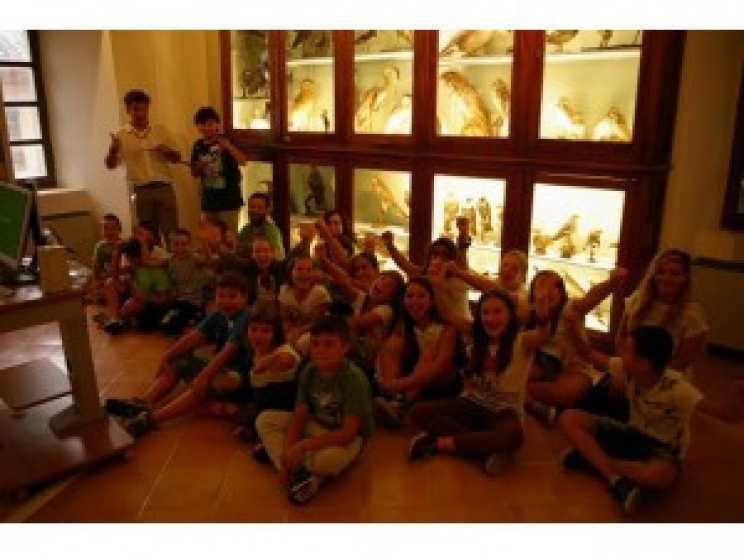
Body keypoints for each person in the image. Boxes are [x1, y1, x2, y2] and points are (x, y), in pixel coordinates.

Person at [558, 325, 744, 515]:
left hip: (664, 449)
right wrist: (572, 326)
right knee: (568, 418)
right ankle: (615, 479)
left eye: (627, 350)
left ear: (644, 364)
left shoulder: (677, 389)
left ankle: (591, 460)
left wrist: (739, 398)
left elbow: (726, 415)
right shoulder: (627, 369)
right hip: (632, 434)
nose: (621, 352)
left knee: (658, 477)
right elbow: (589, 354)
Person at [407, 287, 551, 475]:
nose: (491, 318)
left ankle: (439, 442)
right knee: (418, 411)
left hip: (503, 411)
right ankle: (485, 447)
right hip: (471, 403)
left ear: (510, 315)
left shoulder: (522, 341)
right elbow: (448, 314)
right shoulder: (475, 334)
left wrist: (542, 311)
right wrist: (437, 284)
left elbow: (543, 334)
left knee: (513, 436)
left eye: (498, 312)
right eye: (485, 312)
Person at [104, 272, 251, 436]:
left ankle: (152, 419)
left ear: (245, 298)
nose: (225, 301)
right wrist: (167, 356)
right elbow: (192, 337)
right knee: (178, 361)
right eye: (221, 295)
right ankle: (143, 403)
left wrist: (203, 377)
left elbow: (227, 352)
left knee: (205, 383)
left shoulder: (244, 318)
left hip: (238, 376)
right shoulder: (218, 315)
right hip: (219, 367)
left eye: (232, 296)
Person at [254, 315, 374, 505]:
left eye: (329, 344)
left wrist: (302, 446)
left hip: (348, 438)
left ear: (345, 347)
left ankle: (307, 475)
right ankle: (294, 471)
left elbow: (349, 433)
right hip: (317, 424)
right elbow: (299, 416)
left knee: (328, 461)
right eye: (315, 344)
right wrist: (288, 452)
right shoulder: (310, 370)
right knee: (264, 419)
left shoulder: (354, 379)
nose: (320, 350)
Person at [524, 267, 628, 425]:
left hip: (574, 369)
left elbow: (591, 298)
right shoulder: (530, 311)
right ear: (532, 293)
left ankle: (530, 398)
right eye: (542, 285)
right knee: (515, 377)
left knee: (562, 394)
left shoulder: (570, 308)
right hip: (542, 364)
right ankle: (536, 405)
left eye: (555, 286)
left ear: (562, 292)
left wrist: (611, 283)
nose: (549, 291)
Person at [374, 276, 466, 428]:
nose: (414, 301)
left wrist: (402, 383)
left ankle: (400, 405)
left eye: (421, 296)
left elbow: (441, 365)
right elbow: (385, 351)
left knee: (429, 350)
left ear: (432, 301)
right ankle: (392, 399)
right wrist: (385, 381)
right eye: (410, 296)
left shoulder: (447, 327)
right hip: (411, 383)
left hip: (443, 384)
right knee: (393, 343)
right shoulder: (403, 325)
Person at [104, 89, 181, 245]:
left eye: (144, 109)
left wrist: (168, 152)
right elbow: (110, 165)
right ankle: (154, 260)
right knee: (148, 235)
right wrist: (113, 150)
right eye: (135, 109)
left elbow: (177, 158)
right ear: (127, 109)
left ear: (148, 108)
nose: (140, 114)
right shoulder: (120, 135)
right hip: (140, 190)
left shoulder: (161, 130)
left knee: (172, 232)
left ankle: (174, 260)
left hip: (164, 187)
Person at [617, 249, 708, 377]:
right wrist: (629, 367)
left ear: (685, 278)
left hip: (666, 378)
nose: (666, 278)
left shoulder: (692, 315)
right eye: (661, 272)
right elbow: (621, 339)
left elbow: (683, 362)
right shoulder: (636, 301)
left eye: (675, 274)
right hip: (629, 371)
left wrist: (645, 374)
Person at [239, 302, 302, 451]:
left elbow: (286, 360)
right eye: (254, 329)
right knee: (245, 412)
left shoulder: (284, 351)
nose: (258, 335)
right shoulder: (253, 351)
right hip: (263, 404)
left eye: (265, 331)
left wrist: (268, 361)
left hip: (285, 409)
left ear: (276, 333)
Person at [100, 221, 171, 335]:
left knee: (134, 304)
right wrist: (118, 252)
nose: (140, 237)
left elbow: (164, 298)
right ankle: (115, 319)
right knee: (110, 283)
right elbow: (114, 274)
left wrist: (144, 297)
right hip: (136, 294)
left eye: (143, 235)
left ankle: (120, 321)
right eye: (138, 234)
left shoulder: (157, 262)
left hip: (150, 300)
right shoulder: (133, 255)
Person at [190, 106, 248, 235]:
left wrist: (228, 146)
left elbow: (243, 161)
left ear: (217, 124)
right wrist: (200, 166)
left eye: (210, 124)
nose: (207, 128)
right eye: (202, 124)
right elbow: (194, 173)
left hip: (229, 201)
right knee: (210, 237)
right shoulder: (198, 146)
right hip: (209, 201)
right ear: (198, 127)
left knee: (229, 237)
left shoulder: (227, 140)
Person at [159, 228, 211, 336]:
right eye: (176, 244)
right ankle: (192, 322)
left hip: (192, 301)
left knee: (172, 327)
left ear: (189, 245)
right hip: (177, 300)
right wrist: (143, 244)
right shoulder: (170, 259)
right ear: (171, 245)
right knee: (163, 325)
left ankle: (195, 320)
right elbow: (149, 262)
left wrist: (205, 242)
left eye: (183, 244)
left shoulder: (193, 257)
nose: (180, 247)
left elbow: (206, 261)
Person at [278, 255, 332, 348]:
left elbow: (317, 322)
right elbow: (285, 319)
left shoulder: (320, 293)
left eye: (309, 270)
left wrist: (298, 332)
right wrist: (287, 332)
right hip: (294, 329)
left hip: (317, 330)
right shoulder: (285, 290)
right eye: (299, 269)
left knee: (302, 343)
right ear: (291, 273)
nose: (304, 273)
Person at [85, 213, 123, 304]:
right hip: (104, 278)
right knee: (87, 282)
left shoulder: (124, 245)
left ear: (119, 229)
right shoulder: (100, 246)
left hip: (118, 278)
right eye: (105, 228)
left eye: (113, 228)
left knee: (98, 293)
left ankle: (100, 296)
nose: (109, 232)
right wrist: (95, 282)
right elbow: (95, 267)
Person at [236, 192, 286, 261]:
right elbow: (237, 251)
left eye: (260, 208)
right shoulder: (244, 230)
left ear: (267, 210)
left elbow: (275, 257)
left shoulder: (272, 231)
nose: (255, 210)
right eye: (252, 207)